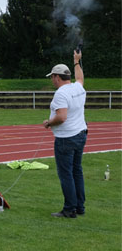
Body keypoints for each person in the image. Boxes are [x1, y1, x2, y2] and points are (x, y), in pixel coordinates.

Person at [44, 50, 87, 218]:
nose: (51, 80)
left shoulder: (61, 93)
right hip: (81, 134)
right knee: (77, 171)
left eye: (52, 77)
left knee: (66, 174)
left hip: (66, 138)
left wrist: (48, 123)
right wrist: (77, 61)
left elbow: (61, 117)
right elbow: (80, 78)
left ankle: (70, 209)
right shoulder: (77, 87)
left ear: (56, 77)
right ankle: (80, 207)